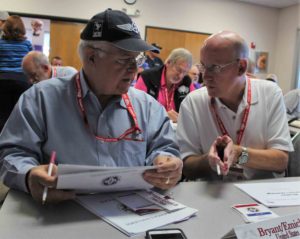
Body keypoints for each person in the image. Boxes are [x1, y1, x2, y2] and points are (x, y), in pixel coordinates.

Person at [0, 9, 182, 204]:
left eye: (137, 59)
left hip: (130, 217)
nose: (134, 69)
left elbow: (164, 149)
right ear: (91, 56)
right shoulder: (41, 99)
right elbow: (12, 154)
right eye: (124, 59)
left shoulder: (148, 108)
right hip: (63, 213)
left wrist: (167, 163)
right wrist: (29, 175)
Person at [176, 31, 293, 181]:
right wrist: (210, 162)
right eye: (203, 67)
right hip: (213, 191)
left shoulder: (269, 94)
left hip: (260, 192)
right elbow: (186, 166)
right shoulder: (193, 102)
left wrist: (239, 155)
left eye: (215, 68)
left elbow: (281, 161)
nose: (205, 76)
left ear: (241, 67)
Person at [135, 48, 194, 123]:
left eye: (185, 72)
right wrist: (163, 116)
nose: (180, 76)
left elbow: (193, 108)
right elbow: (137, 108)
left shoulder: (186, 81)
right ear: (168, 62)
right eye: (178, 70)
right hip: (150, 127)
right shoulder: (147, 77)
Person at [0, 15, 32, 131]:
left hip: (2, 81)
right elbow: (31, 63)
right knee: (20, 115)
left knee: (2, 115)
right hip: (22, 81)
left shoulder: (1, 43)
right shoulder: (27, 44)